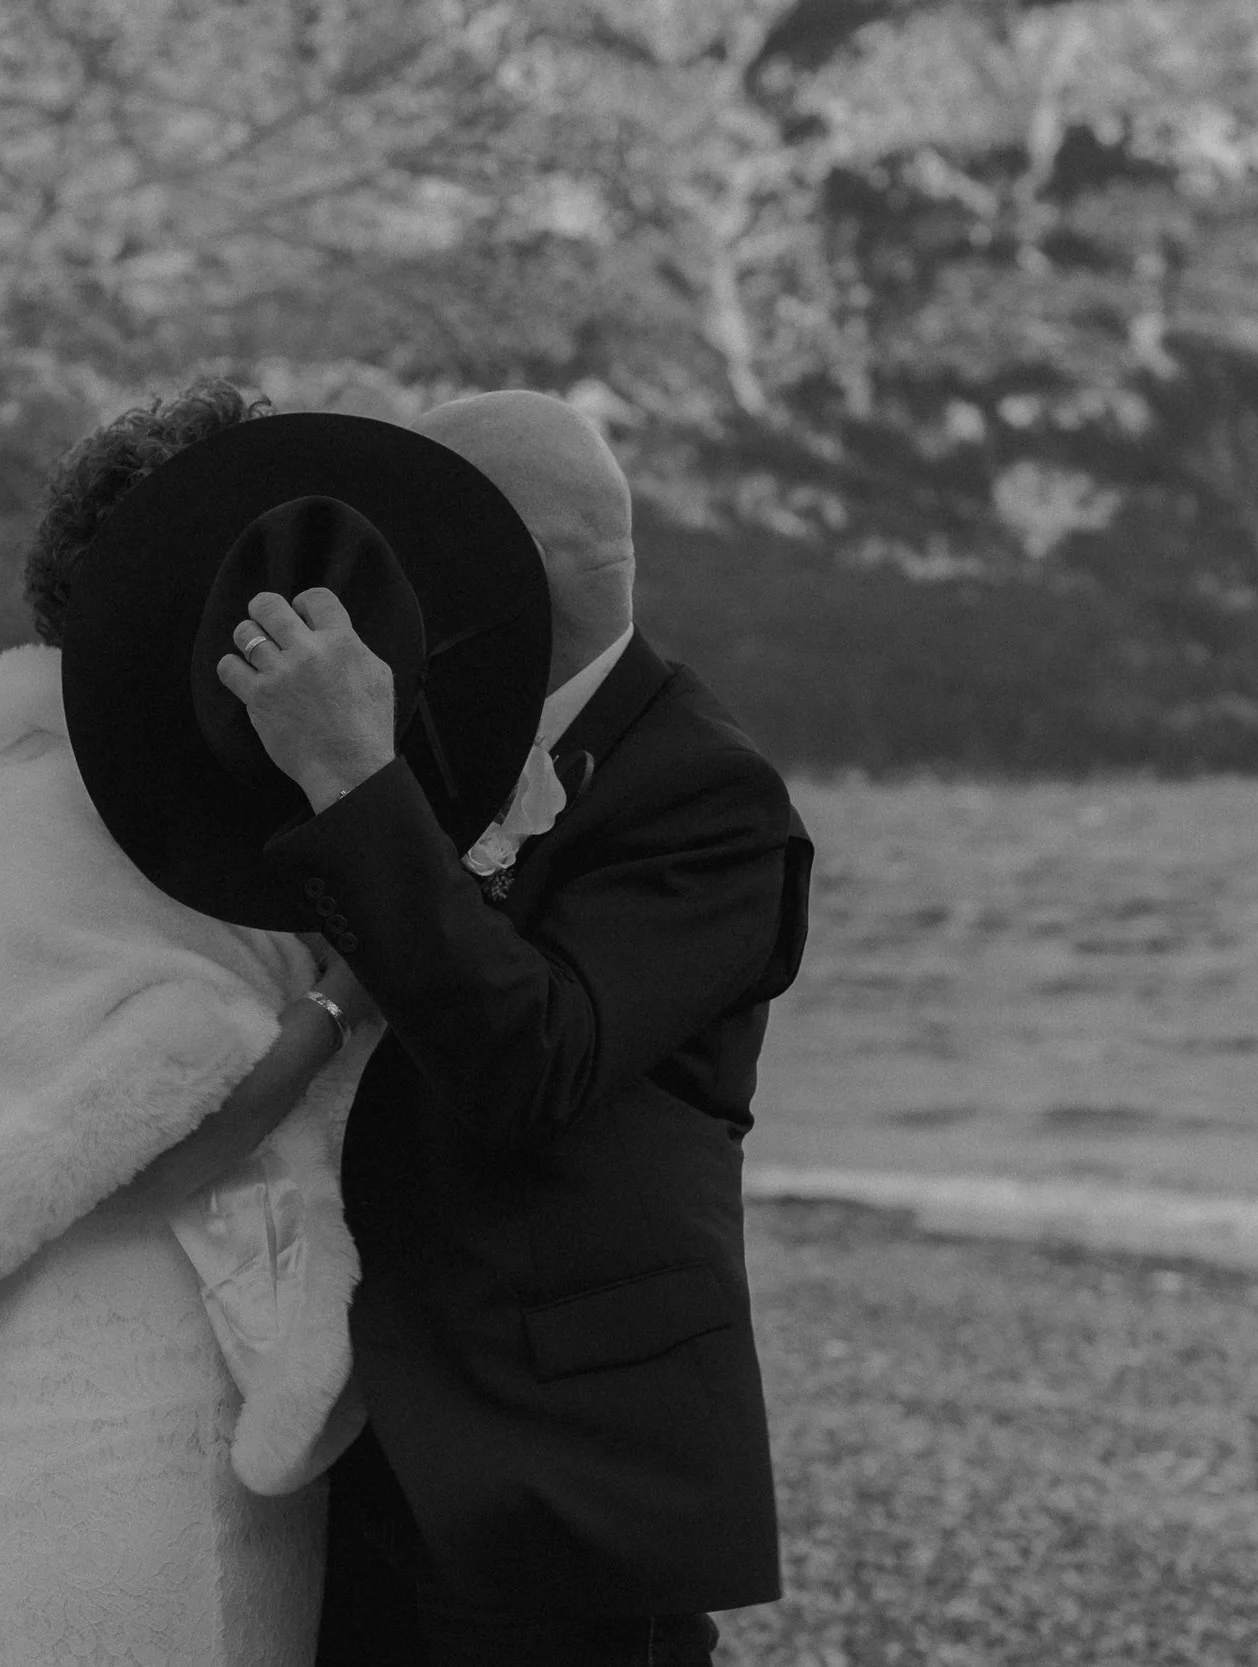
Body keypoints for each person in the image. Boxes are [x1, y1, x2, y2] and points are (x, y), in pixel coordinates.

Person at [216, 390, 815, 1666]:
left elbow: (533, 1060)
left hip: (569, 1466)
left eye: (408, 547)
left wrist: (350, 777)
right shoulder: (426, 747)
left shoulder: (710, 792)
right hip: (374, 1432)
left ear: (506, 562)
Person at [0, 381, 385, 1665]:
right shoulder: (94, 808)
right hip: (135, 1398)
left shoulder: (78, 787)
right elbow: (155, 1131)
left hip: (113, 1368)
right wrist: (347, 996)